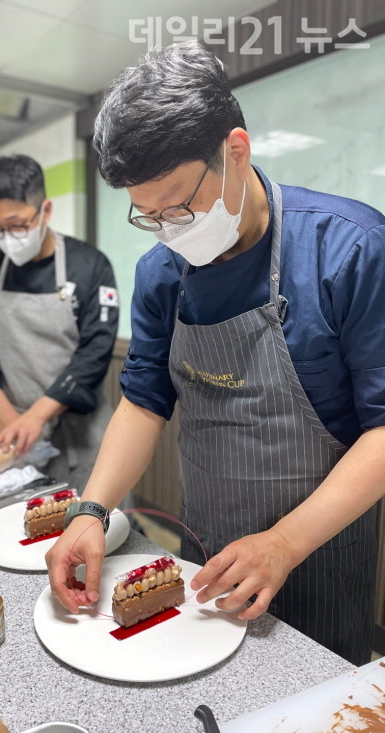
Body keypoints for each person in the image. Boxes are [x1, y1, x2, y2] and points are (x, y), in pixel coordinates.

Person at [45, 41, 385, 666]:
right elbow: (143, 404)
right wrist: (90, 511)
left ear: (236, 150)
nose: (171, 230)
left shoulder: (350, 249)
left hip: (321, 549)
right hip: (205, 551)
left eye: (180, 206)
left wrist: (285, 542)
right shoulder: (161, 274)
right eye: (149, 216)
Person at [0, 154, 118, 491]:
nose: (4, 238)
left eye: (16, 225)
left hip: (77, 430)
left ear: (45, 211)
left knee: (85, 523)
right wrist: (1, 410)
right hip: (10, 428)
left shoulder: (89, 266)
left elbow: (95, 350)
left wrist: (37, 415)